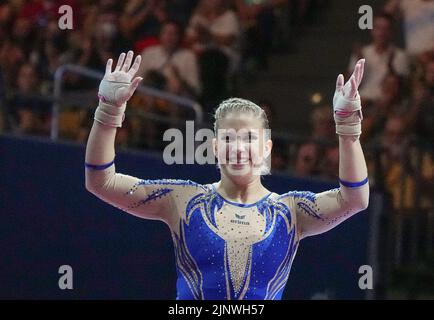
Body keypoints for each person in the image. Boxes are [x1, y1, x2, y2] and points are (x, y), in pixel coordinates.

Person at [85, 51, 370, 300]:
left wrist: (347, 128)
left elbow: (355, 199)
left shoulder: (290, 212)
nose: (238, 148)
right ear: (215, 148)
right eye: (229, 139)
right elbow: (101, 182)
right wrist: (108, 110)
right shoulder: (183, 200)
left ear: (266, 148)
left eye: (248, 138)